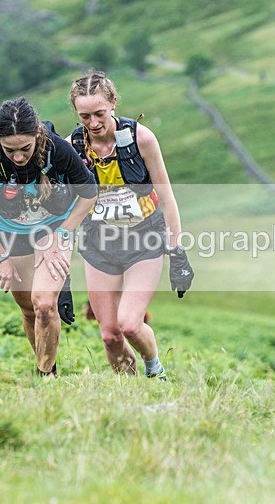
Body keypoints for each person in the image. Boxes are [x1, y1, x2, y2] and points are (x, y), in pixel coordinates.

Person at [66, 71, 194, 380]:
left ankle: (155, 369)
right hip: (99, 244)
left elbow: (167, 198)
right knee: (110, 335)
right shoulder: (72, 147)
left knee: (130, 324)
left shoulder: (141, 139)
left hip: (144, 240)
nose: (93, 123)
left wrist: (177, 253)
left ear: (113, 103)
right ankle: (129, 392)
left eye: (99, 113)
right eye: (85, 116)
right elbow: (64, 208)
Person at [0, 97, 97, 377]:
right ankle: (49, 369)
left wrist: (61, 235)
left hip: (54, 229)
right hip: (11, 233)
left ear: (37, 134)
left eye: (25, 148)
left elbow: (89, 194)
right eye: (9, 150)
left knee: (45, 305)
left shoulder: (58, 150)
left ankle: (44, 376)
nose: (18, 157)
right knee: (29, 310)